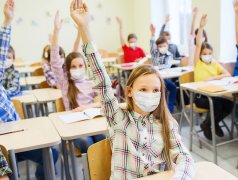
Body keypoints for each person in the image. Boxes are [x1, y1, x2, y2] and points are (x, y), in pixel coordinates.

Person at [70, 1, 195, 179]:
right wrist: (84, 28)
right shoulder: (119, 118)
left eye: (155, 90)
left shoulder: (167, 123)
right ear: (129, 91)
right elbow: (102, 80)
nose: (150, 95)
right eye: (143, 89)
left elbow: (184, 157)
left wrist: (180, 177)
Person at [0, 1, 59, 179]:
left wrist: (8, 21)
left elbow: (2, 52)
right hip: (3, 149)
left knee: (52, 153)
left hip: (20, 135)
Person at [50, 11, 105, 153]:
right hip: (75, 125)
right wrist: (56, 30)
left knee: (103, 139)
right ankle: (92, 172)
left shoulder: (91, 82)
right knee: (87, 143)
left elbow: (101, 102)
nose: (77, 69)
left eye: (80, 66)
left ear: (85, 66)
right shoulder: (65, 83)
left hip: (92, 121)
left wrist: (85, 108)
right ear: (67, 70)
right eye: (73, 66)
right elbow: (55, 60)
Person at [193, 14, 233, 139]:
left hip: (214, 94)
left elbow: (227, 74)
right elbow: (199, 44)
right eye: (205, 53)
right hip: (200, 97)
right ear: (200, 54)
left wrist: (214, 78)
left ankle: (212, 123)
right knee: (217, 105)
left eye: (210, 53)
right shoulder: (198, 63)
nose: (207, 55)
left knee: (229, 104)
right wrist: (201, 27)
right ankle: (207, 124)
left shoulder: (214, 63)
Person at [150, 24, 177, 113]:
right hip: (155, 79)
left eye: (164, 46)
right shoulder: (155, 53)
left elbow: (167, 65)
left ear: (167, 46)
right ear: (157, 47)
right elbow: (151, 45)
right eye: (160, 46)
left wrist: (158, 67)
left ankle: (170, 108)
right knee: (163, 90)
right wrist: (153, 35)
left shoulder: (169, 55)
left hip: (165, 78)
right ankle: (161, 109)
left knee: (173, 87)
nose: (162, 48)